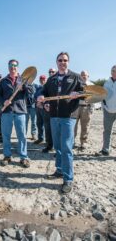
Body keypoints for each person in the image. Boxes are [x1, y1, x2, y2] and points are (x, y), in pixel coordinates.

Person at [38, 52, 83, 193]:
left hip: (68, 117)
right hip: (54, 117)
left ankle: (68, 179)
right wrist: (42, 100)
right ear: (56, 62)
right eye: (60, 60)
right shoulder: (51, 79)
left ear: (68, 62)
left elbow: (85, 95)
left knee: (67, 148)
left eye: (65, 60)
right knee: (57, 146)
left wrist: (78, 95)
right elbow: (43, 93)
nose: (62, 62)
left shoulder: (75, 77)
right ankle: (59, 170)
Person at [0, 59, 33, 167]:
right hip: (7, 111)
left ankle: (23, 157)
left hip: (20, 110)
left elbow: (31, 92)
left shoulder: (24, 79)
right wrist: (3, 101)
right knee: (6, 135)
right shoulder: (3, 81)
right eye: (11, 65)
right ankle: (7, 156)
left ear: (18, 67)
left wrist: (24, 86)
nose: (13, 67)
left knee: (22, 135)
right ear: (8, 67)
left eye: (15, 65)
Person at [97, 65, 116, 156]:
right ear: (111, 72)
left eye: (115, 71)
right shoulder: (106, 83)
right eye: (113, 70)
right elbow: (102, 97)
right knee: (107, 130)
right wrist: (104, 107)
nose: (114, 72)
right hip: (108, 110)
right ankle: (105, 149)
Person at [74, 70, 94, 150]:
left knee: (85, 126)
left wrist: (91, 109)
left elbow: (94, 98)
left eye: (85, 75)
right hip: (76, 107)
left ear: (88, 76)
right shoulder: (76, 84)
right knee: (73, 126)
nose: (83, 76)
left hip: (86, 107)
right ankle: (72, 142)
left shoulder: (92, 85)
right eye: (82, 75)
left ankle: (83, 143)